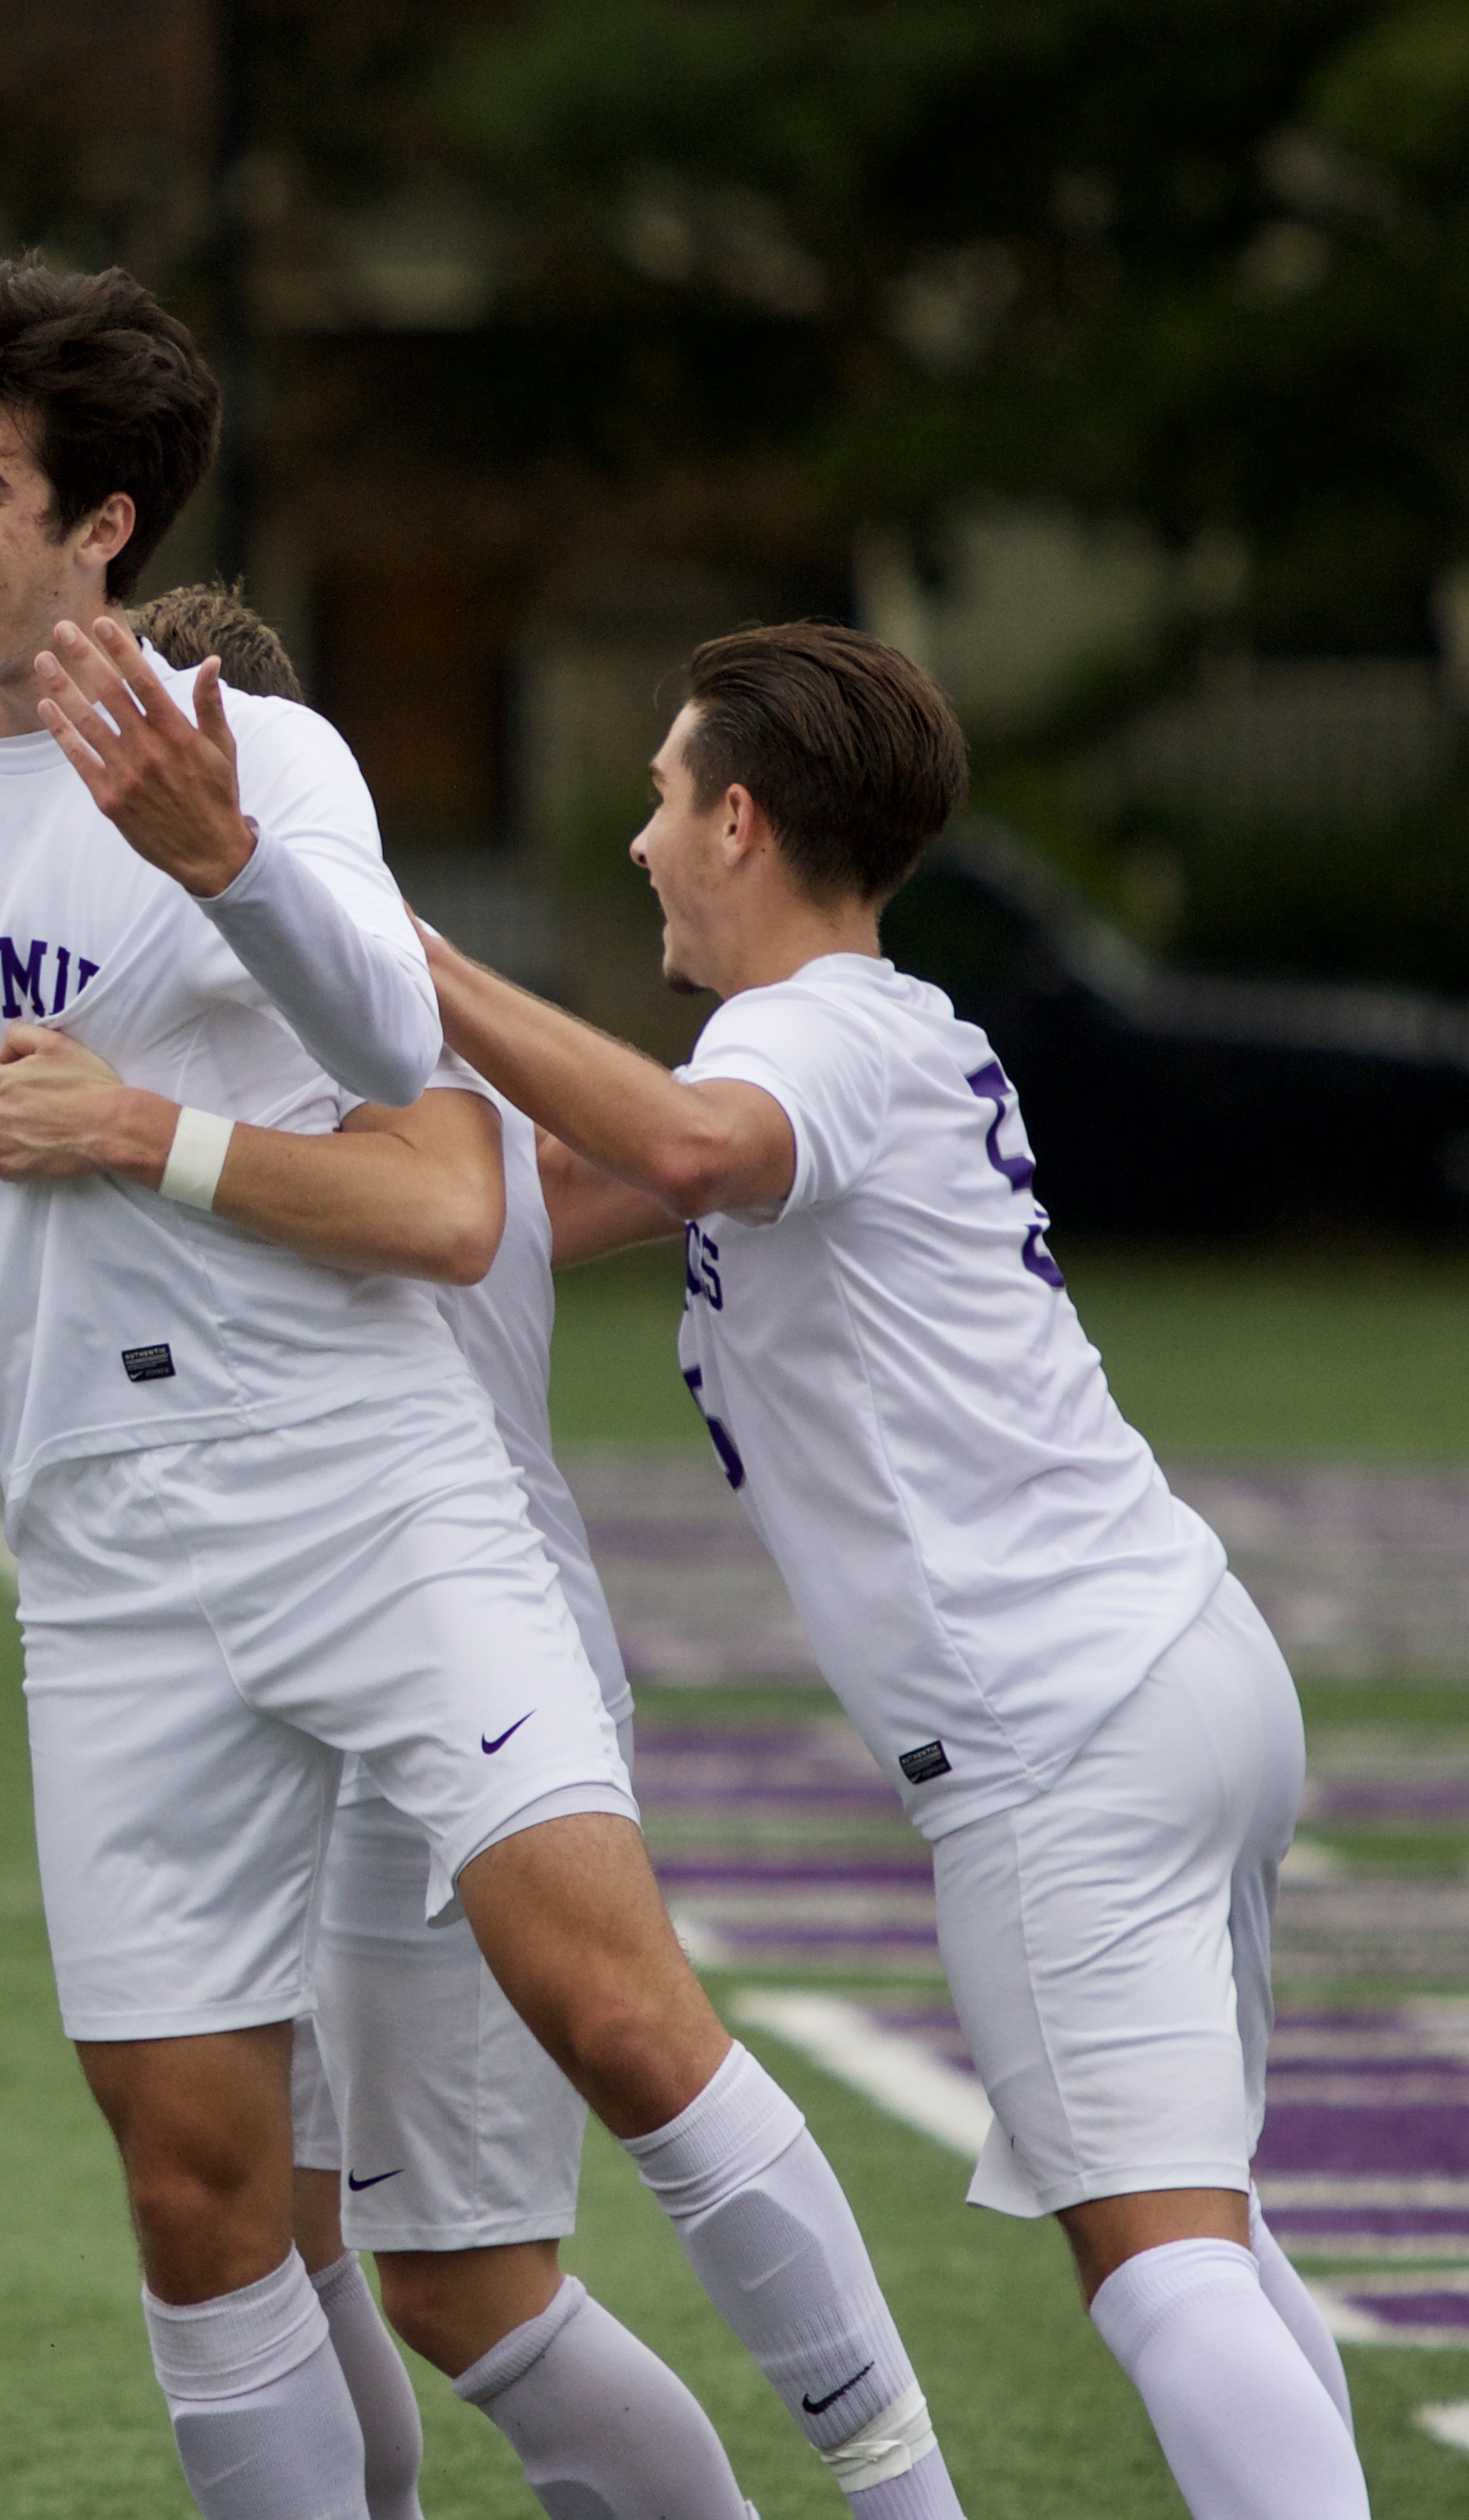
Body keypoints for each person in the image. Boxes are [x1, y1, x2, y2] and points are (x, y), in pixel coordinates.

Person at [0, 256, 959, 2520]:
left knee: (621, 2012)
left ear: (102, 525)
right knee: (194, 2180)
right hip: (102, 1552)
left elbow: (385, 1042)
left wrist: (217, 859)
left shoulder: (266, 753)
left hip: (360, 1484)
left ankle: (908, 2498)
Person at [420, 622, 1367, 2520]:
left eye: (662, 796)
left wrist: (404, 955)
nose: (640, 841)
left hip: (1059, 1733)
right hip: (1179, 1666)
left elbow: (682, 1144)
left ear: (741, 822)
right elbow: (516, 1195)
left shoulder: (800, 1038)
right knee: (1204, 2234)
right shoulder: (889, 1026)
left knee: (1162, 2270)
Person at [0, 583, 751, 2520]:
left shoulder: (370, 1013)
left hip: (441, 1630)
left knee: (469, 2281)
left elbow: (470, 1200)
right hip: (263, 1643)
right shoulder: (199, 1016)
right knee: (271, 2225)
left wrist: (139, 1126)